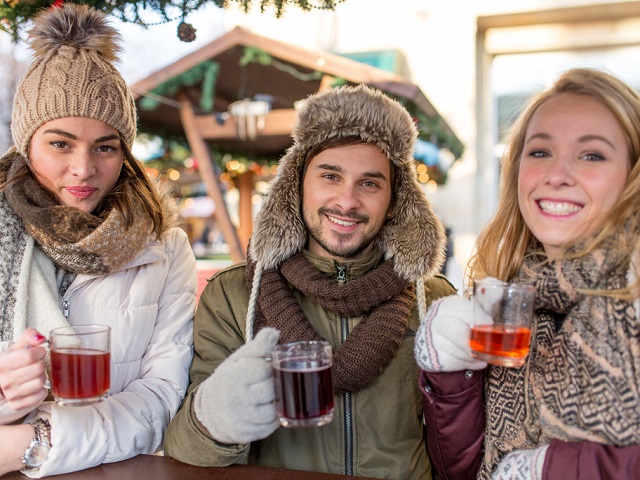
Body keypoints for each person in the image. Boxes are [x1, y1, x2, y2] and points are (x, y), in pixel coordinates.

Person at [164, 84, 455, 479]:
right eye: (330, 176)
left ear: (395, 200)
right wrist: (214, 417)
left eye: (370, 183)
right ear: (297, 185)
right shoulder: (234, 295)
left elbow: (456, 437)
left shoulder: (435, 300)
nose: (347, 201)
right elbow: (184, 451)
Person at [0, 4, 197, 477]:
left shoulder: (163, 249)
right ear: (26, 142)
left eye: (105, 147)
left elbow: (160, 398)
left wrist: (33, 442)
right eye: (61, 143)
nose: (84, 169)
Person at [414, 67, 640, 480]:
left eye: (591, 155)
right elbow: (459, 472)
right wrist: (451, 379)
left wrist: (557, 469)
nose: (557, 174)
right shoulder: (508, 294)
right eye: (540, 152)